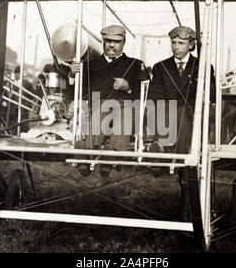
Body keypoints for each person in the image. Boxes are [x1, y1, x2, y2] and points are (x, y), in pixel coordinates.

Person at [148, 26, 215, 221]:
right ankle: (186, 169)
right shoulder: (161, 67)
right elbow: (155, 95)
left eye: (181, 43)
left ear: (191, 45)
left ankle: (162, 151)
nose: (176, 47)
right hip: (168, 116)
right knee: (174, 112)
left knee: (182, 114)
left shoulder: (203, 67)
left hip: (192, 118)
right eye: (174, 43)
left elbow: (208, 96)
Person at [70, 24, 147, 178]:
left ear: (124, 43)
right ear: (103, 42)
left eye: (116, 41)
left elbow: (146, 93)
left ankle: (105, 156)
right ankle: (89, 153)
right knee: (99, 114)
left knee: (124, 119)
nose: (112, 45)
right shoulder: (91, 66)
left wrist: (129, 87)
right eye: (108, 41)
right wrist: (73, 75)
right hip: (101, 105)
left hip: (127, 105)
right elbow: (77, 91)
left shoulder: (135, 64)